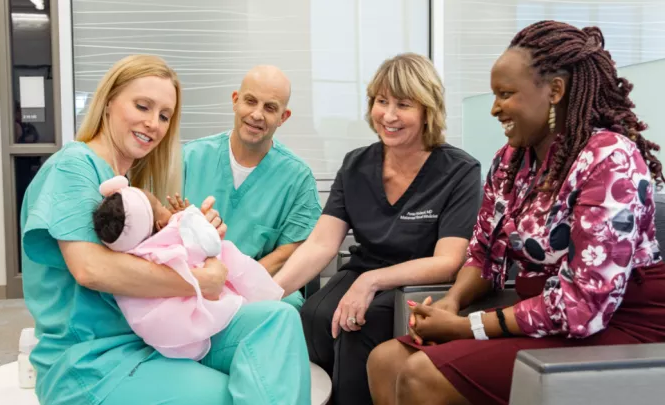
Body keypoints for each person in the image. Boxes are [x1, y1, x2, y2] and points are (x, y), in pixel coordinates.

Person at [367, 21, 665, 405]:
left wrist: (466, 327)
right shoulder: (511, 161)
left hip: (617, 326)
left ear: (554, 91)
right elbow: (484, 255)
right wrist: (451, 302)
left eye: (506, 94)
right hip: (543, 317)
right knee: (384, 359)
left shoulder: (610, 159)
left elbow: (583, 309)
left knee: (422, 375)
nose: (494, 108)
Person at [20, 54, 311, 405]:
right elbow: (91, 268)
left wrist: (196, 234)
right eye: (142, 106)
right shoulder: (73, 168)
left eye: (164, 116)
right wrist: (200, 282)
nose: (152, 124)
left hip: (149, 337)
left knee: (277, 320)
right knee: (226, 396)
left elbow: (153, 256)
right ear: (109, 101)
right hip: (91, 362)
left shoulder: (132, 185)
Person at [273, 53, 482, 405]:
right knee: (312, 316)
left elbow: (448, 261)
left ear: (428, 110)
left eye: (403, 104)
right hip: (364, 267)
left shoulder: (459, 170)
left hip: (418, 280)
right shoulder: (356, 164)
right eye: (381, 101)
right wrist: (266, 292)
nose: (388, 115)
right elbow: (321, 244)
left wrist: (370, 282)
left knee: (357, 323)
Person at [92, 175, 284, 361]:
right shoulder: (173, 235)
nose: (166, 207)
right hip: (200, 311)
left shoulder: (131, 256)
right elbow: (208, 248)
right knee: (277, 317)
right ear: (160, 225)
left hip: (161, 330)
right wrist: (191, 219)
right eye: (160, 206)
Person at [181, 65, 322, 310]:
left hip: (258, 286)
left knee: (283, 311)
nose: (257, 115)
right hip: (191, 282)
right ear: (235, 101)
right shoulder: (190, 159)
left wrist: (240, 281)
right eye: (250, 101)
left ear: (283, 117)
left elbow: (295, 248)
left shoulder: (297, 178)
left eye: (270, 108)